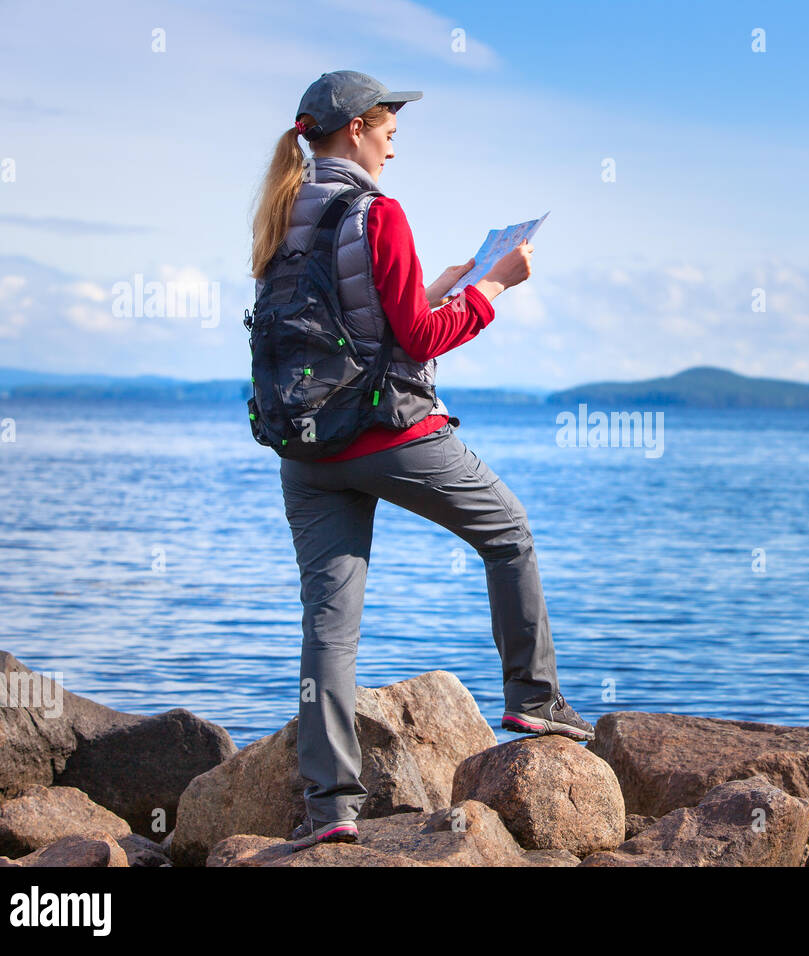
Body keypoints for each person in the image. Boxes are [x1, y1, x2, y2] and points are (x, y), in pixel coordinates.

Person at [249, 70, 594, 851]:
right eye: (389, 132)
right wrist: (493, 286)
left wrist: (438, 283)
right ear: (355, 131)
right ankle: (534, 700)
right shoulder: (376, 210)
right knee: (508, 532)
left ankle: (331, 806)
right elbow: (420, 340)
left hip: (305, 449)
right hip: (388, 435)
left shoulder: (283, 210)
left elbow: (357, 313)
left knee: (329, 630)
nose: (393, 148)